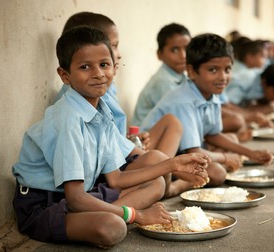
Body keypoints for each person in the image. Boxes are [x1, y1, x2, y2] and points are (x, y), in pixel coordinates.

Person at [12, 26, 211, 248]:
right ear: (65, 75)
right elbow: (76, 198)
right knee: (112, 228)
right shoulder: (68, 119)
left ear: (114, 68)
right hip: (44, 204)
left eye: (104, 65)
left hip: (79, 194)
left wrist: (174, 164)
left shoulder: (101, 111)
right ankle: (119, 215)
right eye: (85, 67)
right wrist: (138, 215)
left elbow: (116, 179)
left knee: (155, 184)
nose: (98, 73)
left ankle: (117, 214)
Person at [55, 12, 208, 196]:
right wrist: (174, 167)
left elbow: (110, 138)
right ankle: (170, 185)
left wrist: (132, 140)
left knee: (170, 126)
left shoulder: (102, 88)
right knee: (157, 162)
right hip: (104, 170)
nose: (117, 55)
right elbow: (89, 183)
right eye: (113, 46)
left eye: (114, 48)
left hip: (117, 158)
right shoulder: (79, 99)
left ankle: (167, 181)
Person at [141, 33, 272, 186]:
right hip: (156, 158)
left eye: (227, 69)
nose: (222, 77)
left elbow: (213, 135)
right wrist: (225, 157)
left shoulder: (212, 93)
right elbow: (194, 152)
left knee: (232, 140)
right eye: (213, 70)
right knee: (217, 173)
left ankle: (191, 178)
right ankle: (176, 187)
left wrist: (250, 153)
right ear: (191, 72)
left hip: (184, 152)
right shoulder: (183, 101)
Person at [131, 23, 191, 126]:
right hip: (146, 138)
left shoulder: (181, 76)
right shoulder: (163, 81)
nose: (183, 55)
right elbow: (181, 116)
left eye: (186, 49)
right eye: (175, 50)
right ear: (160, 54)